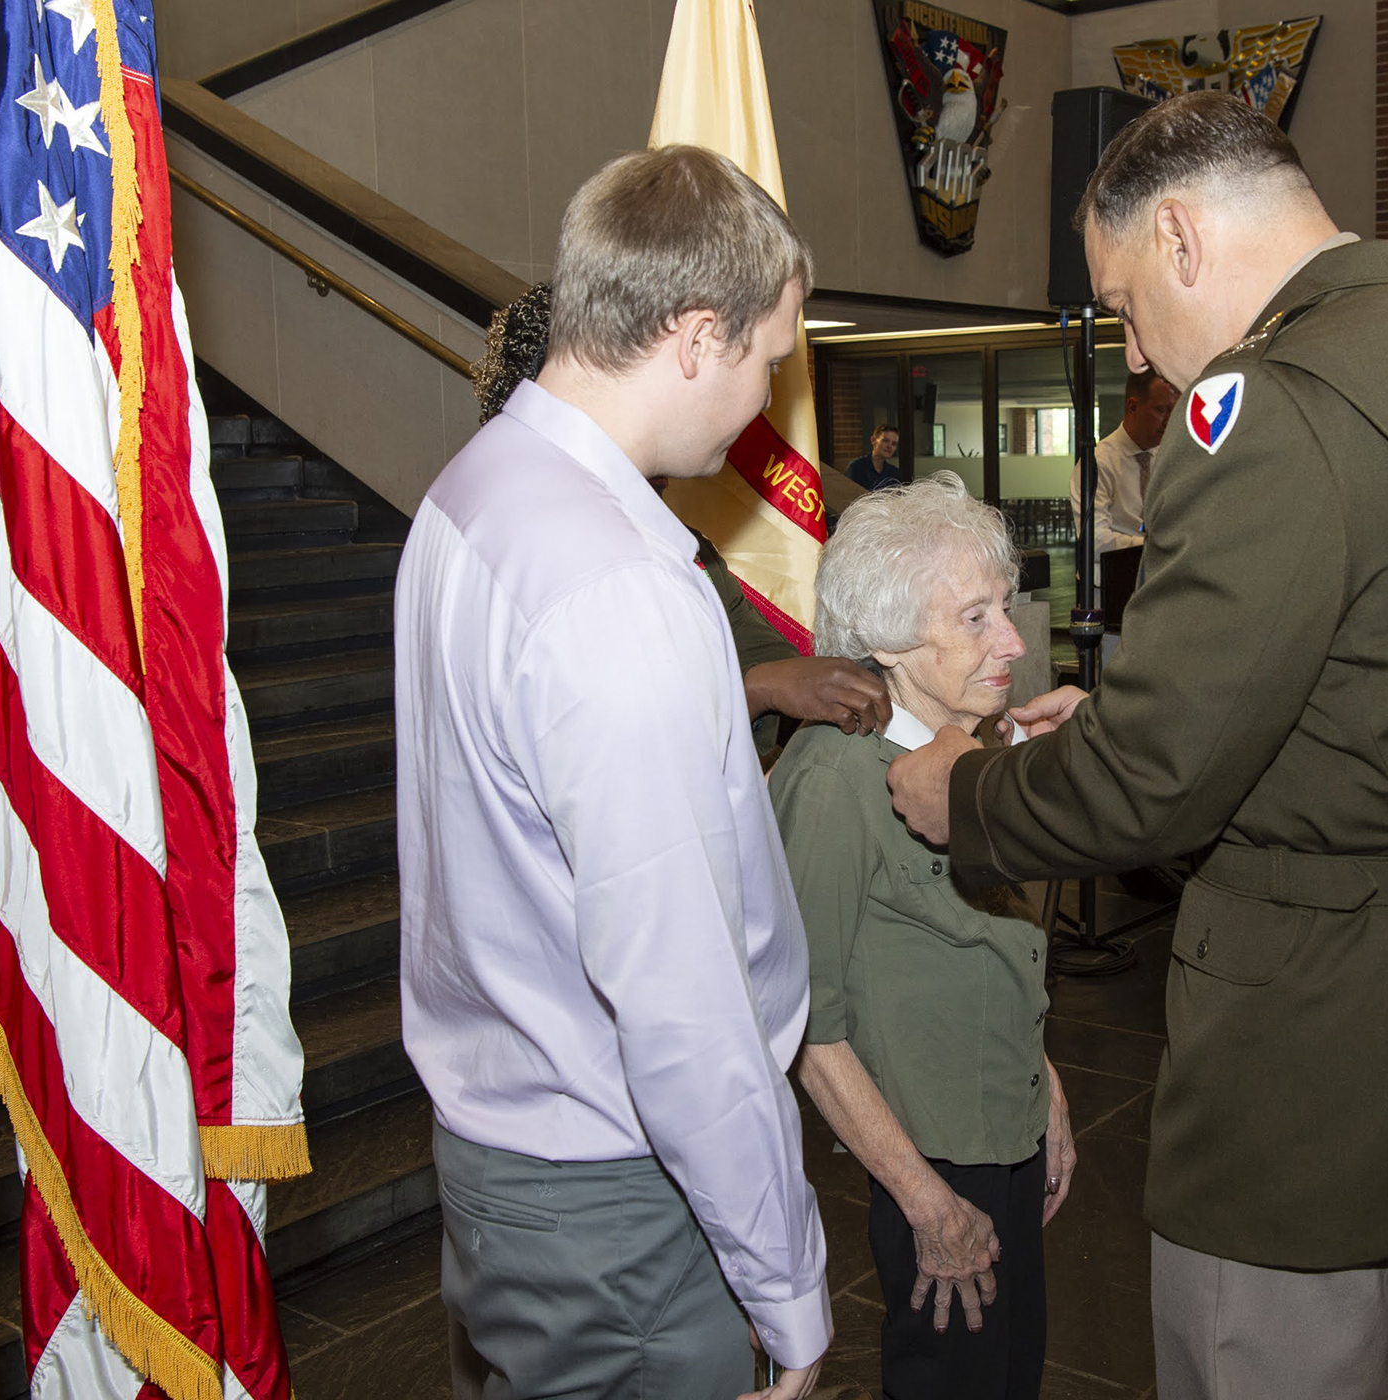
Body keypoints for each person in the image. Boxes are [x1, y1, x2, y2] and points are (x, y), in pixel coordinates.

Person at [885, 92, 1388, 1400]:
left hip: (1324, 1050)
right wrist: (1136, 720)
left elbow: (1152, 784)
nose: (1136, 354)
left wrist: (972, 793)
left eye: (1125, 305)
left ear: (1181, 235)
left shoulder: (1267, 409)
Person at [395, 146, 832, 1400]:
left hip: (502, 1154)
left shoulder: (472, 491)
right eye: (767, 360)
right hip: (620, 1202)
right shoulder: (614, 585)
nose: (763, 403)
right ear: (695, 336)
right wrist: (788, 1286)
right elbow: (680, 996)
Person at [769, 473, 1074, 1400]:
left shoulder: (969, 752)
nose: (1013, 642)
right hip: (931, 1161)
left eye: (1005, 609)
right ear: (892, 641)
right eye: (976, 618)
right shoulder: (834, 778)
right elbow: (805, 1024)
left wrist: (1048, 1096)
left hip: (1006, 1129)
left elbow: (997, 942)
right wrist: (927, 1202)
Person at [474, 281, 891, 747]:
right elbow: (626, 741)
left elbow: (766, 654)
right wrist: (757, 691)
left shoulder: (687, 549)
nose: (761, 399)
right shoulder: (557, 565)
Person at [1066, 369, 1179, 553]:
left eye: (1173, 411)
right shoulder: (1098, 464)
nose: (1169, 421)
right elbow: (1095, 541)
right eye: (1161, 410)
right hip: (1115, 569)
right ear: (1132, 407)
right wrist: (1153, 548)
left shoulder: (1168, 457)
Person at [848, 424, 903, 491]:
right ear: (873, 440)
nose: (889, 446)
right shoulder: (857, 468)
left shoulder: (894, 474)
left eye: (893, 444)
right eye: (885, 441)